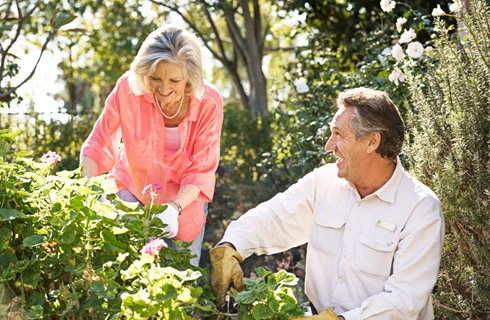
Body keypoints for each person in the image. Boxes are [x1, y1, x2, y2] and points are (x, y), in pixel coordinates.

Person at [210, 88, 444, 319]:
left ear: (372, 141)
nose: (329, 145)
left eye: (338, 134)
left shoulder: (421, 208)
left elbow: (404, 301)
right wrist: (231, 245)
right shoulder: (323, 182)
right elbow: (274, 218)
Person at [80, 24, 223, 266]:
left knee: (182, 279)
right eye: (155, 78)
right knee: (126, 272)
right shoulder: (129, 88)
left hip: (184, 201)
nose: (164, 89)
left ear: (190, 76)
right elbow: (98, 143)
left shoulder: (209, 102)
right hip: (133, 189)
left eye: (174, 80)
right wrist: (90, 192)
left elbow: (202, 170)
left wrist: (173, 208)